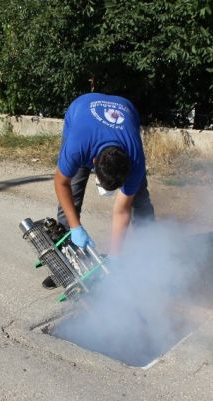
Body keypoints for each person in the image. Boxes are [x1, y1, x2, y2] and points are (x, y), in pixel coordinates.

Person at [44, 93, 155, 288]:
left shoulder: (135, 161)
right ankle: (64, 264)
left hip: (125, 107)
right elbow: (61, 183)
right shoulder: (78, 147)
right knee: (72, 196)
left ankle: (151, 260)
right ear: (93, 163)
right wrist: (75, 227)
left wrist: (115, 256)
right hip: (81, 108)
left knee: (141, 200)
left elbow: (122, 210)